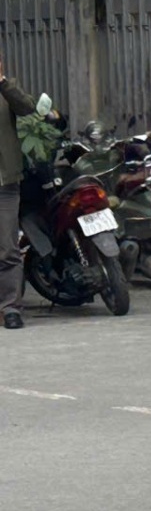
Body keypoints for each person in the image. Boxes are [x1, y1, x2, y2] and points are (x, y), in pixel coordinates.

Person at [0, 53, 39, 331]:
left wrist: (3, 83)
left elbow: (29, 109)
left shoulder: (7, 91)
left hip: (6, 184)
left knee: (8, 250)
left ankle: (11, 308)